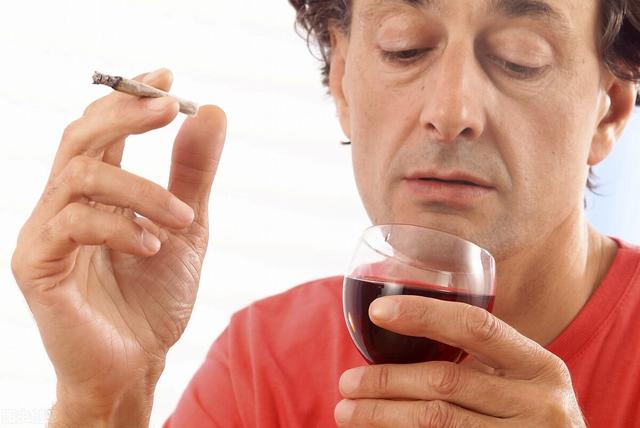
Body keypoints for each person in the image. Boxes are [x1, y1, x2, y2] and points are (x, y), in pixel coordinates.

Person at [11, 0, 640, 426]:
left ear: (609, 110)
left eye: (521, 57)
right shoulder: (264, 364)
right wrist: (104, 403)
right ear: (341, 82)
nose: (450, 113)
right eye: (404, 47)